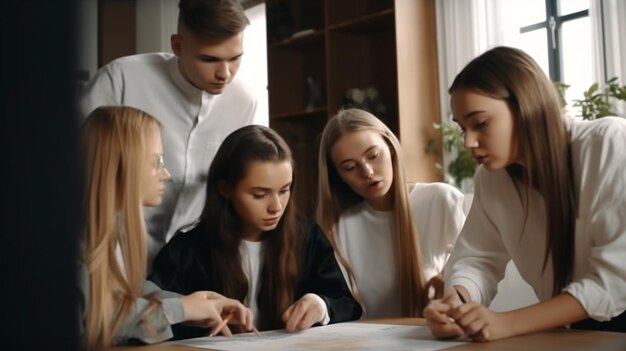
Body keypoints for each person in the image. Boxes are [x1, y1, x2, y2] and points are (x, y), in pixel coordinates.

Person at [423, 46, 626, 342]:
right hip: (572, 336)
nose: (468, 141)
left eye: (480, 123)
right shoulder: (491, 180)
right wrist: (459, 300)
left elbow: (615, 281)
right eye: (462, 127)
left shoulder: (610, 145)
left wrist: (506, 323)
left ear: (526, 106)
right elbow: (478, 258)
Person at [80, 0, 263, 266]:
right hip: (110, 253)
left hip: (188, 260)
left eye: (235, 58)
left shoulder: (244, 101)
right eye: (209, 59)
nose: (225, 73)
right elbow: (74, 167)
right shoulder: (120, 79)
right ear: (178, 45)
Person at [149, 125, 362, 338]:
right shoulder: (186, 251)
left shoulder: (307, 238)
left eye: (285, 190)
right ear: (225, 189)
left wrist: (321, 306)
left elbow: (346, 303)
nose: (276, 207)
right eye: (260, 194)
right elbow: (150, 321)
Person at [78, 106, 256, 349]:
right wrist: (181, 309)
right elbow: (99, 315)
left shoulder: (112, 229)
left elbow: (129, 293)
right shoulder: (71, 243)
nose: (167, 174)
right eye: (156, 162)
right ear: (122, 167)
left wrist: (194, 303)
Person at [316, 108, 466, 319]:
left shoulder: (440, 200)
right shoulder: (340, 228)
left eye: (374, 155)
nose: (367, 172)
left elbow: (473, 273)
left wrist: (452, 287)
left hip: (433, 337)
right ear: (338, 176)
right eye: (350, 167)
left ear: (391, 147)